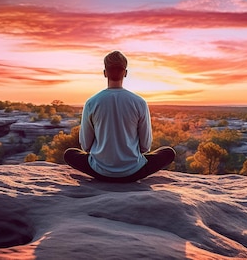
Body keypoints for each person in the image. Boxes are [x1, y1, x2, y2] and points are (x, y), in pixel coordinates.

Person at [64, 50, 176, 183]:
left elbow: (86, 146)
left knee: (69, 154)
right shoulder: (139, 102)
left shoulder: (91, 102)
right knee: (168, 152)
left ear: (105, 73)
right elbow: (145, 147)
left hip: (99, 171)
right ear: (126, 73)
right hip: (133, 172)